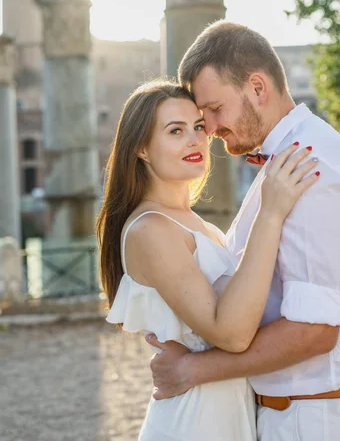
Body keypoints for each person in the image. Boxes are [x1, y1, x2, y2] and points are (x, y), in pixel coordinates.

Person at [146, 22, 340, 441]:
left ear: (257, 88)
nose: (207, 127)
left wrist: (193, 370)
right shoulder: (285, 162)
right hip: (306, 416)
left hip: (322, 420)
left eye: (213, 109)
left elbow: (314, 331)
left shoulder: (306, 166)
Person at [97, 80, 318, 441]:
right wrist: (271, 212)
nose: (195, 139)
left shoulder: (202, 227)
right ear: (141, 148)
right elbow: (231, 334)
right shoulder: (149, 228)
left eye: (199, 127)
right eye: (175, 130)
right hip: (194, 421)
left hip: (231, 414)